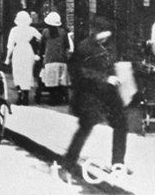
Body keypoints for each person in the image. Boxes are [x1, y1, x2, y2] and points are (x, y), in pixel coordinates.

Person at [58, 15, 129, 183]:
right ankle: (67, 165)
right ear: (95, 31)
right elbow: (79, 72)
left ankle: (118, 163)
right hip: (89, 95)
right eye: (103, 32)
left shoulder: (108, 45)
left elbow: (110, 64)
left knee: (121, 124)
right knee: (85, 128)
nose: (106, 36)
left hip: (109, 94)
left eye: (108, 33)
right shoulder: (84, 47)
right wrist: (104, 78)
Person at [5, 10, 41, 105]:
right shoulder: (31, 29)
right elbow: (41, 38)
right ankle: (26, 95)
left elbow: (10, 46)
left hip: (18, 51)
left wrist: (7, 58)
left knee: (17, 72)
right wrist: (38, 50)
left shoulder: (14, 30)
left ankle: (20, 93)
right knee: (27, 72)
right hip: (28, 51)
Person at [38, 11, 71, 105]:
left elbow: (41, 46)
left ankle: (53, 99)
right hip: (61, 60)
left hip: (49, 60)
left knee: (50, 81)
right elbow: (67, 46)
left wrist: (40, 56)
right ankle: (60, 97)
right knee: (60, 80)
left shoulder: (45, 32)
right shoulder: (63, 32)